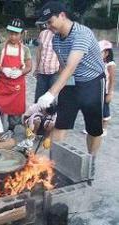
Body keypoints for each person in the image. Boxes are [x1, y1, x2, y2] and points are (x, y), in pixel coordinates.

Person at [36, 1, 105, 176]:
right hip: (71, 83)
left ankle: (91, 160)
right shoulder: (55, 40)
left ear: (62, 15)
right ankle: (53, 163)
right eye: (45, 23)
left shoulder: (82, 34)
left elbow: (71, 66)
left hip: (92, 82)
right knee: (61, 124)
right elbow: (62, 68)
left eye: (50, 21)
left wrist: (51, 93)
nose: (48, 26)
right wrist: (54, 93)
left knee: (93, 128)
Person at [0, 18, 32, 131]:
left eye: (16, 34)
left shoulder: (25, 50)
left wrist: (20, 72)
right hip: (3, 84)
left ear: (22, 34)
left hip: (17, 86)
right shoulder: (0, 47)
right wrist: (3, 69)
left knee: (15, 113)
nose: (13, 36)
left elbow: (29, 67)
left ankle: (11, 129)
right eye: (11, 33)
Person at [34, 22, 59, 102]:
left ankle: (50, 114)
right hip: (42, 72)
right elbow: (39, 51)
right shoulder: (43, 33)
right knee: (38, 98)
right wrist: (36, 68)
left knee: (51, 100)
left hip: (55, 73)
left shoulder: (61, 35)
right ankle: (37, 114)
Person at [98, 40, 116, 137]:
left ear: (107, 53)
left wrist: (110, 93)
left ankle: (104, 128)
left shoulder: (110, 65)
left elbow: (112, 80)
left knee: (105, 109)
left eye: (100, 52)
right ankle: (96, 127)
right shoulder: (100, 62)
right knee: (97, 109)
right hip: (98, 90)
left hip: (105, 91)